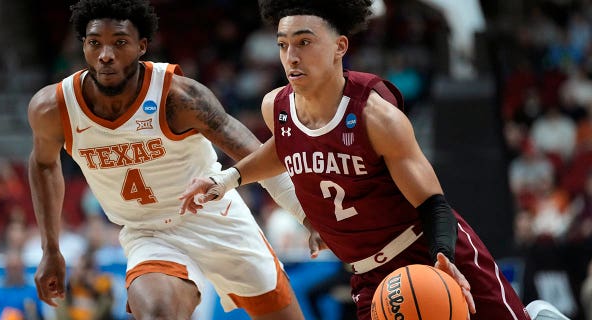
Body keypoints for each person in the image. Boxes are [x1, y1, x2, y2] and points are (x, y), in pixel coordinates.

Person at [179, 1, 570, 320]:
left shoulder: (376, 116)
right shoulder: (275, 107)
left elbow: (435, 205)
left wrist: (445, 258)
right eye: (283, 45)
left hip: (426, 252)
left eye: (304, 42)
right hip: (370, 278)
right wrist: (227, 179)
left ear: (340, 47)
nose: (291, 57)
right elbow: (284, 149)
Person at [27, 0, 309, 319]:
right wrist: (50, 249)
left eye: (119, 42)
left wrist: (306, 214)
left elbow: (257, 154)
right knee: (158, 312)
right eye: (95, 43)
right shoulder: (53, 108)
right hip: (147, 231)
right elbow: (44, 164)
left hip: (215, 216)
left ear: (141, 46)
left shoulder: (179, 97)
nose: (105, 54)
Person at [0, 249, 43, 320]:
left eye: (17, 268)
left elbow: (41, 316)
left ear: (23, 268)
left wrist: (32, 314)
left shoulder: (33, 292)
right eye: (11, 268)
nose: (14, 272)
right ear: (6, 269)